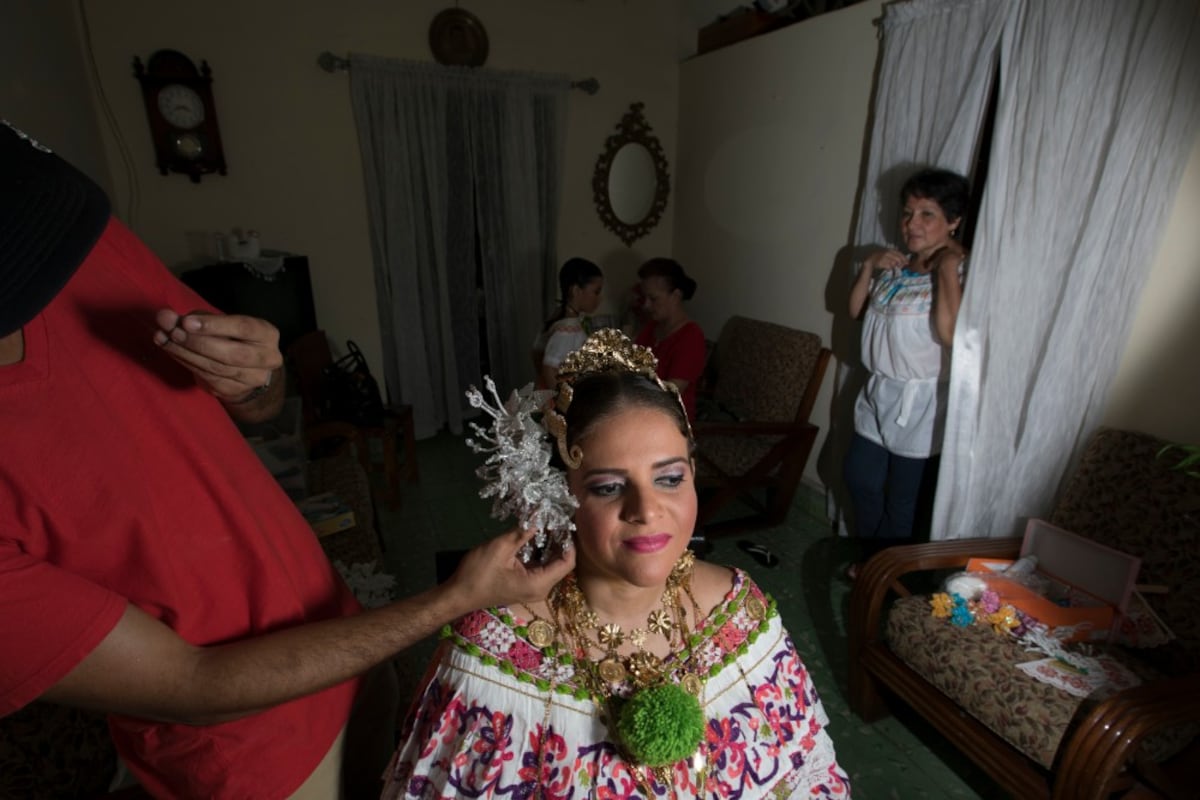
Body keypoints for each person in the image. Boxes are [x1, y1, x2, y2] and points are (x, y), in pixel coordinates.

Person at [0, 120, 574, 799]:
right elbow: (195, 685)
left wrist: (257, 377)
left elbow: (262, 402)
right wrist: (456, 598)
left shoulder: (66, 243)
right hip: (260, 765)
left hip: (354, 645)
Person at [382, 330, 850, 799]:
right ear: (557, 497)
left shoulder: (737, 612)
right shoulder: (492, 656)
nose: (646, 510)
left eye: (669, 478)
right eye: (608, 487)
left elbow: (808, 776)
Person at [843, 167, 970, 578]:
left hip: (923, 401)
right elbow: (855, 310)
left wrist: (948, 267)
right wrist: (868, 265)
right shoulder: (897, 265)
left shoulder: (963, 269)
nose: (911, 223)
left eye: (927, 214)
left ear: (953, 220)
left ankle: (882, 574)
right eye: (908, 212)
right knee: (860, 478)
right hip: (878, 389)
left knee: (902, 500)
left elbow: (951, 334)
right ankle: (876, 558)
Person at [633, 257, 706, 421]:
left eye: (653, 299)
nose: (646, 305)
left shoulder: (691, 336)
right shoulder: (651, 328)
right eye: (644, 298)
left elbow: (670, 393)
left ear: (676, 296)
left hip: (670, 423)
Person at [531, 257, 603, 388]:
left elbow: (536, 354)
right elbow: (549, 369)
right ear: (576, 290)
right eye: (596, 292)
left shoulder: (558, 317)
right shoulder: (568, 328)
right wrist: (563, 404)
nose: (599, 298)